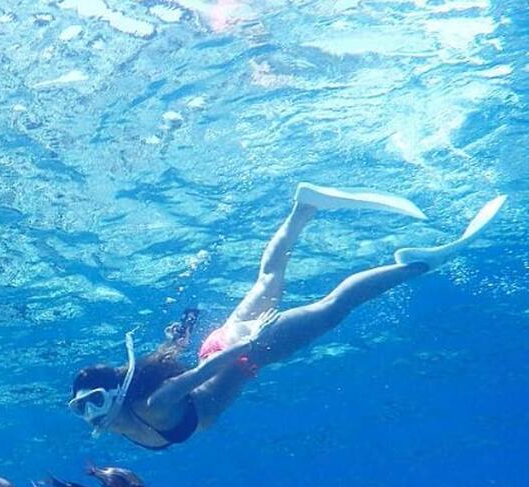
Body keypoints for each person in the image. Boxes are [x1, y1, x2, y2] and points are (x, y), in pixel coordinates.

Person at [69, 183, 507, 450]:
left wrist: (249, 342)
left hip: (242, 351)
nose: (90, 414)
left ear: (116, 392)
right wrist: (182, 337)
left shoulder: (153, 406)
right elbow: (183, 368)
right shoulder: (123, 423)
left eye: (94, 401)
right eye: (81, 408)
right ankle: (305, 206)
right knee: (268, 279)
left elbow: (202, 374)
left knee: (332, 309)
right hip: (225, 345)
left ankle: (417, 265)